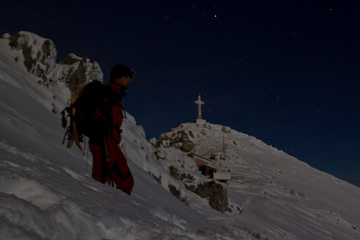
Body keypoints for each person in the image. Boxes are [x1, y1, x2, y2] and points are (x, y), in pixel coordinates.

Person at [89, 64, 135, 195]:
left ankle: (117, 209)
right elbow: (96, 113)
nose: (129, 80)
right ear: (117, 78)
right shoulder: (106, 93)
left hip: (111, 142)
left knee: (126, 181)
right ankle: (97, 209)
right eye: (126, 77)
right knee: (102, 180)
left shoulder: (115, 96)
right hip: (102, 140)